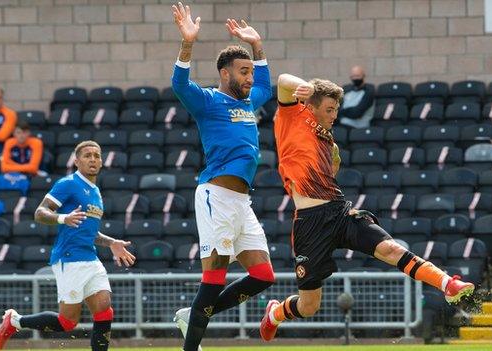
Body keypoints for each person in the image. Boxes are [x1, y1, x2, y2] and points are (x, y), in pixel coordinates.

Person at [259, 74, 475, 341]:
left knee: (391, 249)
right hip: (309, 223)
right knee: (309, 306)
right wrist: (307, 86)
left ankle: (448, 284)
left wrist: (334, 162)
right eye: (329, 109)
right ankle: (276, 313)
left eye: (337, 109)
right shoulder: (292, 118)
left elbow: (326, 173)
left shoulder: (327, 138)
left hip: (339, 212)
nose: (334, 115)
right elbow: (282, 80)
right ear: (310, 104)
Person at [169, 3, 275, 351]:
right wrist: (187, 44)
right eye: (243, 72)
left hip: (241, 202)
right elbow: (179, 84)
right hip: (216, 195)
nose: (249, 78)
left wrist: (257, 47)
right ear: (226, 74)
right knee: (213, 277)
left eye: (250, 72)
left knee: (263, 276)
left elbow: (266, 86)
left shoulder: (248, 102)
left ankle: (196, 313)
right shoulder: (208, 101)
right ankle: (192, 342)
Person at [0, 140, 136, 351]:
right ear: (77, 161)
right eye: (87, 155)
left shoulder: (96, 192)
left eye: (96, 155)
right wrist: (63, 218)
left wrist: (111, 243)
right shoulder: (68, 183)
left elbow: (88, 231)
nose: (93, 159)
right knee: (67, 322)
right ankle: (15, 321)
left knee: (104, 310)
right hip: (70, 258)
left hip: (90, 258)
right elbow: (40, 212)